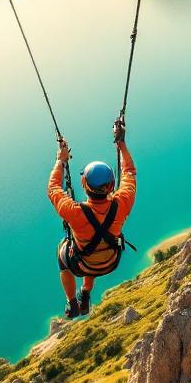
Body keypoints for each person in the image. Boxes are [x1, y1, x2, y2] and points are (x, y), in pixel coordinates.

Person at [49, 120, 136, 319]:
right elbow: (129, 172)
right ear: (112, 185)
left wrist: (60, 160)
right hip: (111, 260)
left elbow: (53, 188)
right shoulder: (122, 202)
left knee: (64, 252)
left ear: (83, 183)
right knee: (94, 247)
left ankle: (72, 303)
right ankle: (85, 293)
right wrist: (121, 143)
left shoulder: (74, 212)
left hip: (83, 264)